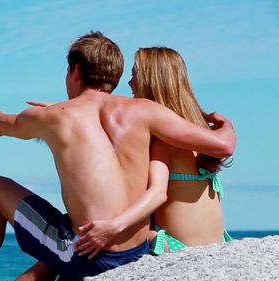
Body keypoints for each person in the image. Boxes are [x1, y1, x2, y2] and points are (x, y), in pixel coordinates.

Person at [0, 31, 236, 281]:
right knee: (54, 252)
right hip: (140, 250)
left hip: (92, 256)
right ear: (114, 76)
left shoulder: (54, 118)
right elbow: (222, 146)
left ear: (75, 71)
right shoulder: (146, 111)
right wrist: (225, 124)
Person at [73, 47, 233, 256]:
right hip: (219, 242)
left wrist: (113, 227)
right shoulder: (200, 132)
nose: (129, 83)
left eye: (134, 75)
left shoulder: (163, 140)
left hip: (176, 247)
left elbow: (157, 193)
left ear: (151, 82)